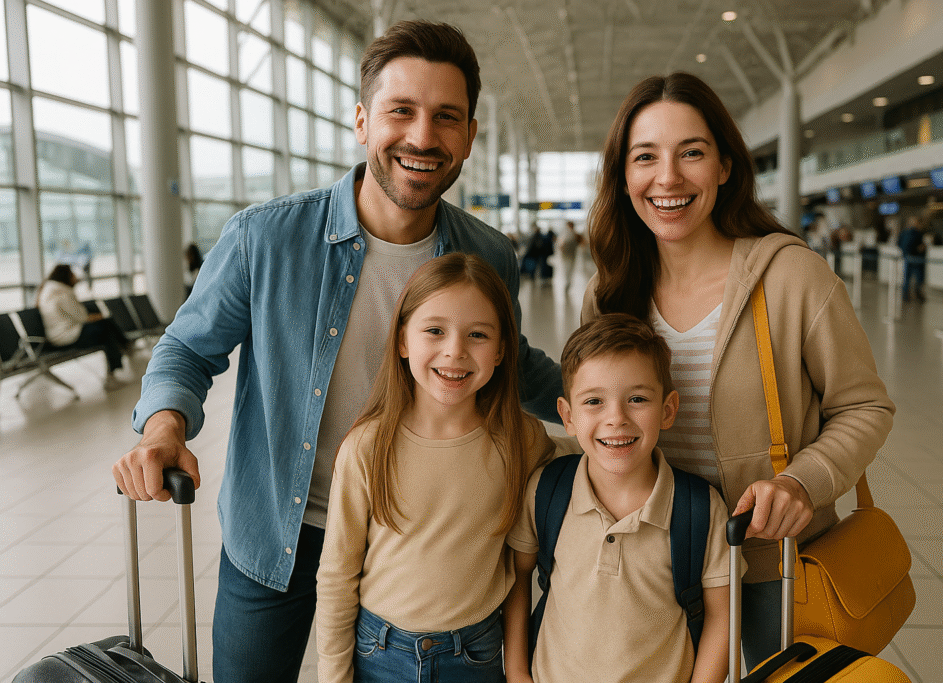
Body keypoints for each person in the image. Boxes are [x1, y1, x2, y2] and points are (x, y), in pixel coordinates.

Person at [112, 21, 563, 683]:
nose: (422, 136)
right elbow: (186, 347)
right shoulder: (265, 239)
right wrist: (163, 427)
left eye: (446, 117)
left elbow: (509, 360)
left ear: (468, 133)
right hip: (276, 537)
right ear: (361, 120)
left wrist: (602, 403)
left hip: (415, 538)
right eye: (400, 111)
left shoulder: (487, 253)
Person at [581, 72, 895, 670]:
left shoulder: (791, 278)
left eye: (691, 153)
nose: (667, 178)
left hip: (768, 570)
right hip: (653, 567)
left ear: (725, 166)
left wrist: (804, 481)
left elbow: (864, 406)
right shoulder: (611, 294)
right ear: (623, 178)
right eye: (645, 157)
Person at [316, 254, 566, 683]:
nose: (455, 351)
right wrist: (335, 676)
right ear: (402, 341)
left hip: (477, 652)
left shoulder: (519, 439)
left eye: (478, 335)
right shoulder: (367, 448)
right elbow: (338, 577)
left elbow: (590, 457)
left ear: (503, 349)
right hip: (382, 653)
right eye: (434, 331)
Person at [503, 313, 736, 683]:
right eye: (594, 401)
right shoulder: (546, 492)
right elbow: (518, 579)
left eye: (637, 399)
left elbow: (723, 617)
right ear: (567, 415)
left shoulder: (701, 510)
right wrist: (517, 673)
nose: (617, 418)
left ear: (668, 410)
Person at [36, 264, 131, 391]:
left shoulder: (50, 290)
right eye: (73, 274)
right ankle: (125, 348)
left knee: (106, 328)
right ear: (66, 276)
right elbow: (82, 317)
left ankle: (124, 349)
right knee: (106, 327)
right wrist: (101, 316)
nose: (76, 277)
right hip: (67, 336)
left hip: (63, 334)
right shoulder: (61, 293)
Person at [897, 215, 926, 302]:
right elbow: (919, 247)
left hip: (907, 257)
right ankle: (916, 294)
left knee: (907, 277)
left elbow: (899, 243)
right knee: (918, 277)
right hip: (915, 259)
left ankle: (906, 295)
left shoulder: (903, 232)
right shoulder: (916, 233)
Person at [557, 220, 583, 292]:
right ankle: (568, 281)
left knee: (568, 268)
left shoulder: (570, 233)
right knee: (568, 268)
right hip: (569, 254)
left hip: (568, 254)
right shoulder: (572, 233)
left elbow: (561, 244)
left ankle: (568, 281)